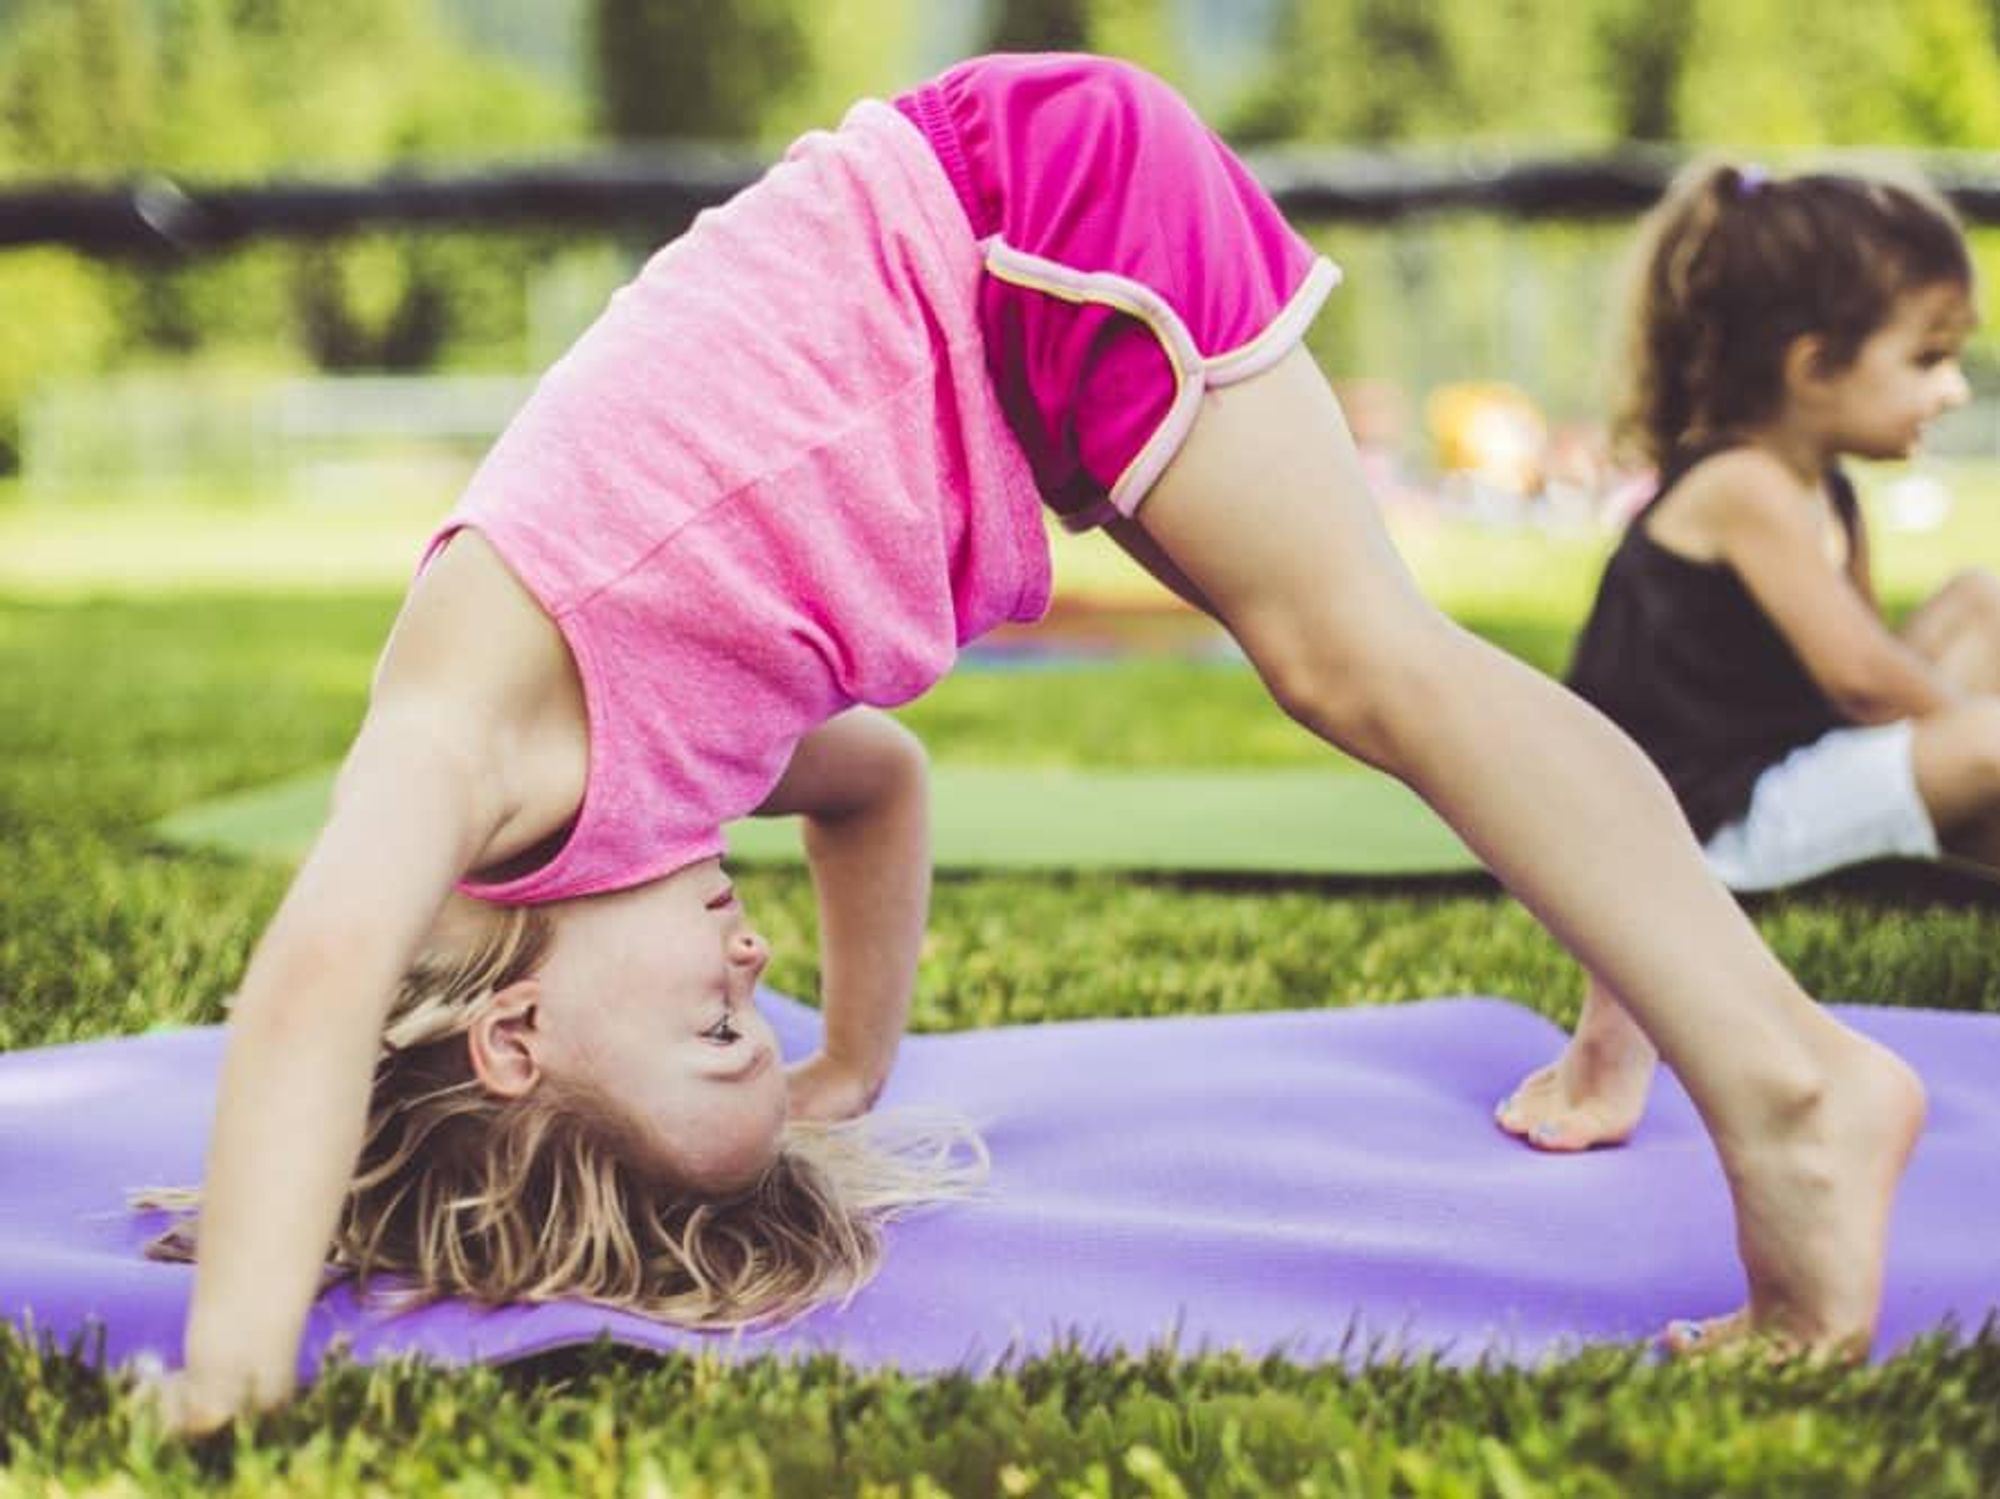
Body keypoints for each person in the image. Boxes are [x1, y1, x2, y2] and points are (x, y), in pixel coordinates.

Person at [149, 57, 1922, 1432]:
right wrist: (843, 1061)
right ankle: (1714, 1033)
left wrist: (238, 1364)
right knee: (1353, 659)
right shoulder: (641, 791)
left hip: (1015, 224)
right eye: (749, 1006)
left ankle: (1791, 1088)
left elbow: (314, 973)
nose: (747, 959)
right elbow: (877, 784)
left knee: (1355, 660)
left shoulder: (463, 750)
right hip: (1015, 326)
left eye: (715, 1021)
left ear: (516, 1032)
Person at [1498, 162, 1982, 1163]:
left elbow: (1855, 679)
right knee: (1981, 733)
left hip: (1781, 760)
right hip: (1707, 825)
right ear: (1810, 366)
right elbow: (1856, 679)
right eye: (1926, 357)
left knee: (1978, 599)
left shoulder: (1821, 487)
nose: (1951, 387)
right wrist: (1962, 736)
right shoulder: (1742, 485)